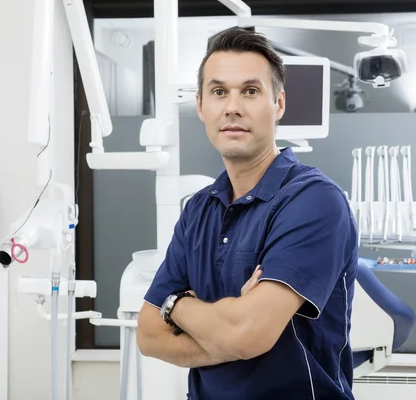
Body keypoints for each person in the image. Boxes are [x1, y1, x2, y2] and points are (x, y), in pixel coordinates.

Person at [136, 27, 359, 400]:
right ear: (202, 106)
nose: (233, 107)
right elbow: (148, 335)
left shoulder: (314, 201)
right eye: (219, 91)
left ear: (280, 104)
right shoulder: (198, 209)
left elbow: (246, 334)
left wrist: (177, 305)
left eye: (251, 91)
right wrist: (232, 328)